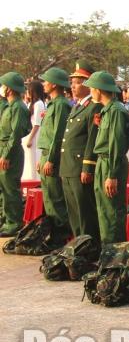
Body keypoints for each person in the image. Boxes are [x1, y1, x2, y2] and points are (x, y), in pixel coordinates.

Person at [84, 71, 129, 244]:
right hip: (103, 162)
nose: (90, 92)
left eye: (91, 88)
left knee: (112, 214)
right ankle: (107, 255)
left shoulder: (116, 111)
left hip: (110, 164)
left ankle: (114, 259)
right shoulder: (107, 110)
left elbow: (117, 144)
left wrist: (112, 174)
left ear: (99, 89)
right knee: (104, 212)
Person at [61, 64, 101, 239]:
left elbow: (92, 139)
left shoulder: (94, 107)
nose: (73, 86)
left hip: (79, 167)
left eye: (77, 82)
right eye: (72, 82)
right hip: (68, 165)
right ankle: (78, 245)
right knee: (74, 212)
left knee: (85, 211)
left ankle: (88, 247)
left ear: (88, 85)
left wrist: (87, 167)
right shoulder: (76, 106)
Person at [36, 68, 72, 233]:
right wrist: (42, 158)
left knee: (56, 197)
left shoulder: (61, 105)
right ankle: (52, 233)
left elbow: (58, 135)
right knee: (48, 197)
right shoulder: (52, 104)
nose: (43, 84)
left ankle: (61, 233)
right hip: (45, 154)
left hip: (53, 157)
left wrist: (50, 159)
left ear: (55, 84)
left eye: (46, 81)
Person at [0, 73, 32, 236]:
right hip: (4, 147)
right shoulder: (10, 106)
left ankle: (13, 223)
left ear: (10, 89)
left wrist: (6, 155)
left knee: (10, 188)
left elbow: (16, 133)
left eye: (3, 85)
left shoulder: (18, 107)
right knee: (3, 188)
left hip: (10, 150)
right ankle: (6, 220)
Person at [21, 80, 45, 182]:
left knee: (33, 160)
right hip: (29, 134)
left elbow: (37, 124)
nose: (27, 92)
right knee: (27, 161)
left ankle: (34, 181)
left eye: (29, 90)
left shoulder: (39, 104)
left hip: (34, 136)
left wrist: (30, 139)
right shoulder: (31, 103)